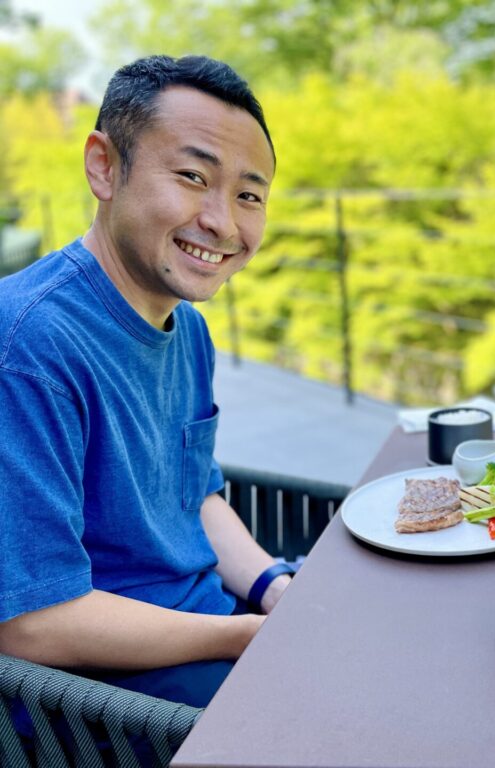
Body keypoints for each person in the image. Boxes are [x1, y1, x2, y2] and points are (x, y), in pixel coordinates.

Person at [0, 55, 285, 708]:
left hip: (209, 625)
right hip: (104, 703)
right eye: (192, 176)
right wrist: (240, 637)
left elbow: (196, 498)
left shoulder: (188, 329)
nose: (223, 221)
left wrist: (272, 585)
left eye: (248, 195)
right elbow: (29, 624)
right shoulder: (27, 342)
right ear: (104, 165)